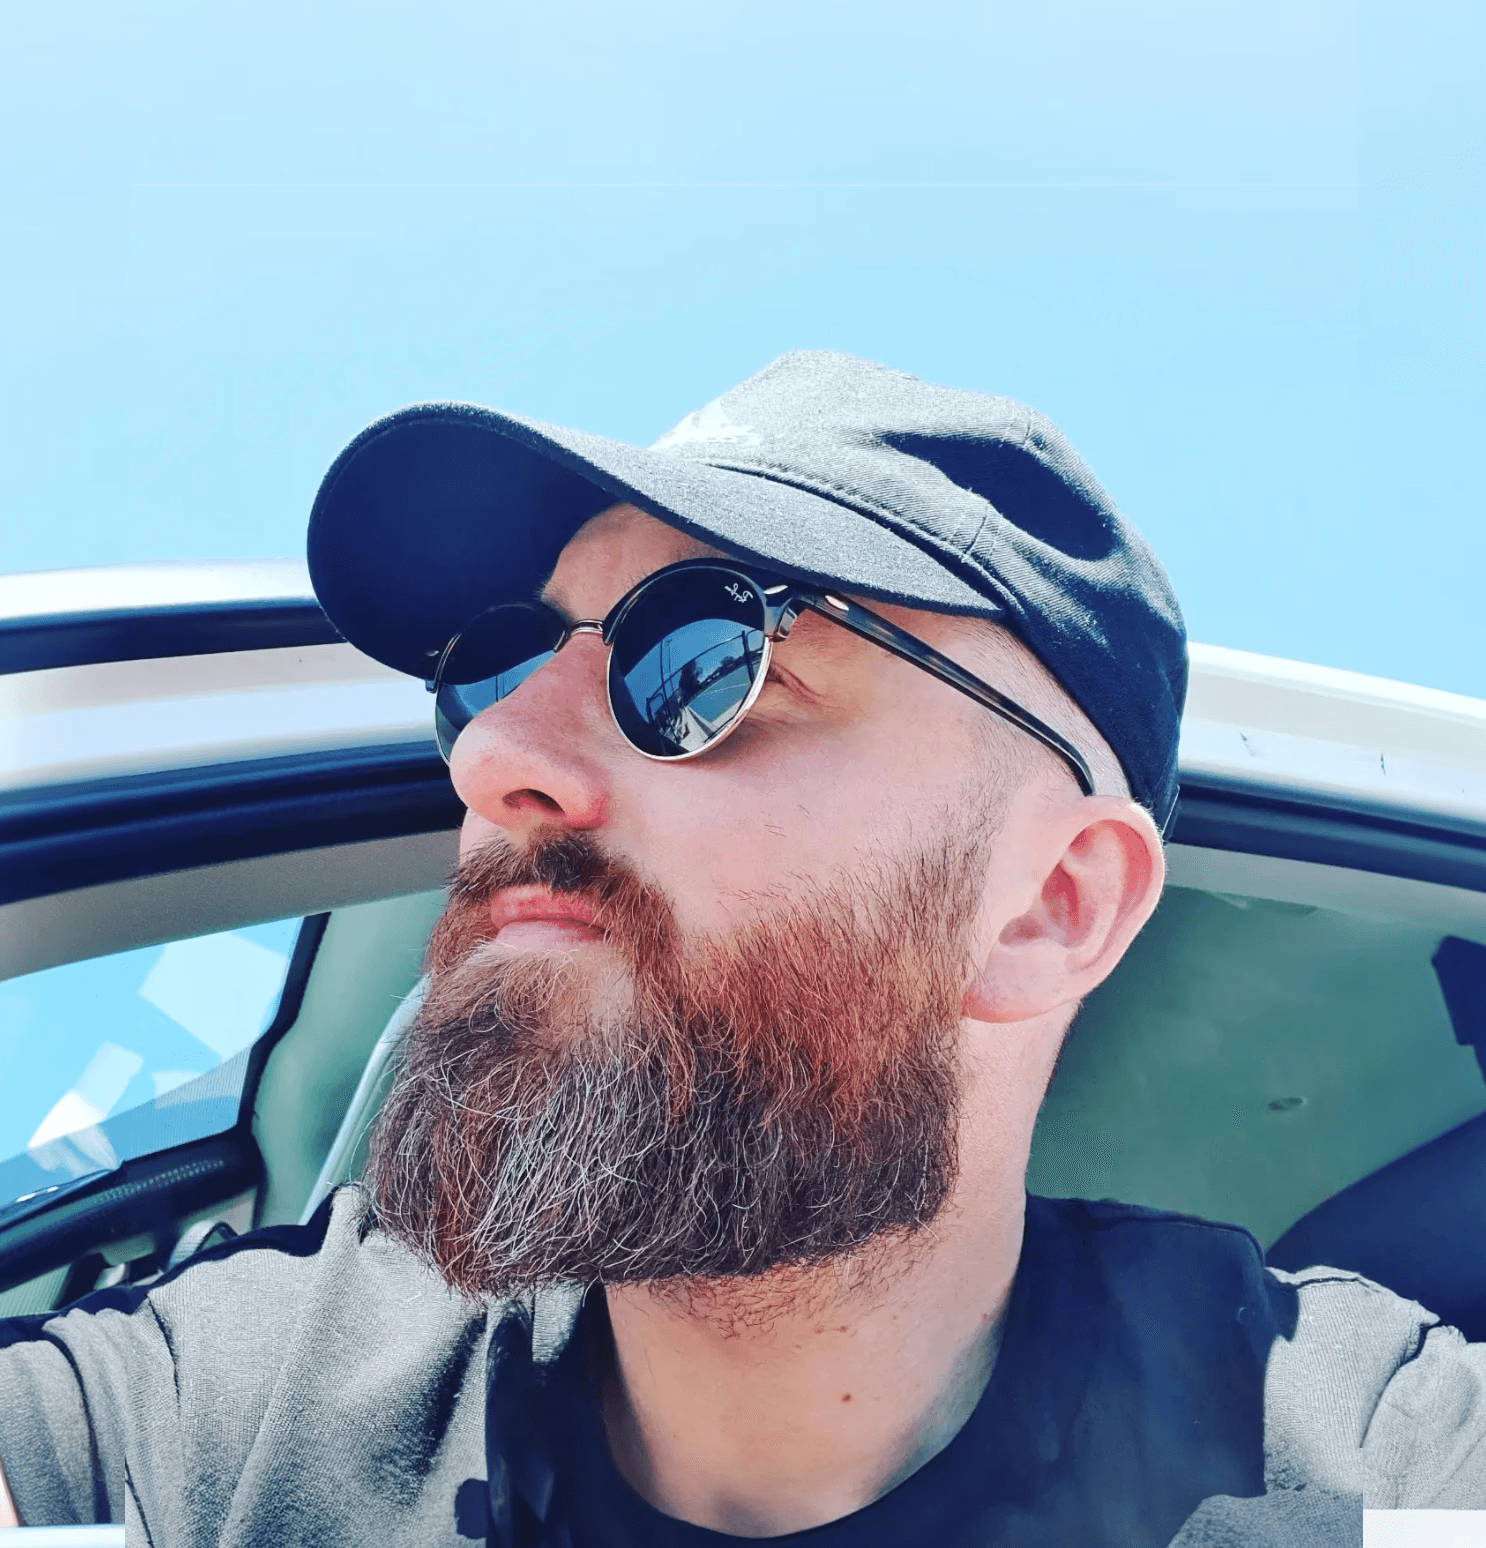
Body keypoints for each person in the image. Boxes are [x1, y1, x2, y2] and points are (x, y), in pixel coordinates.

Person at [0, 351, 1481, 1546]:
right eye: (495, 670)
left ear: (1049, 906)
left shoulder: (1368, 1456)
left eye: (701, 657)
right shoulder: (240, 1411)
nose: (494, 755)